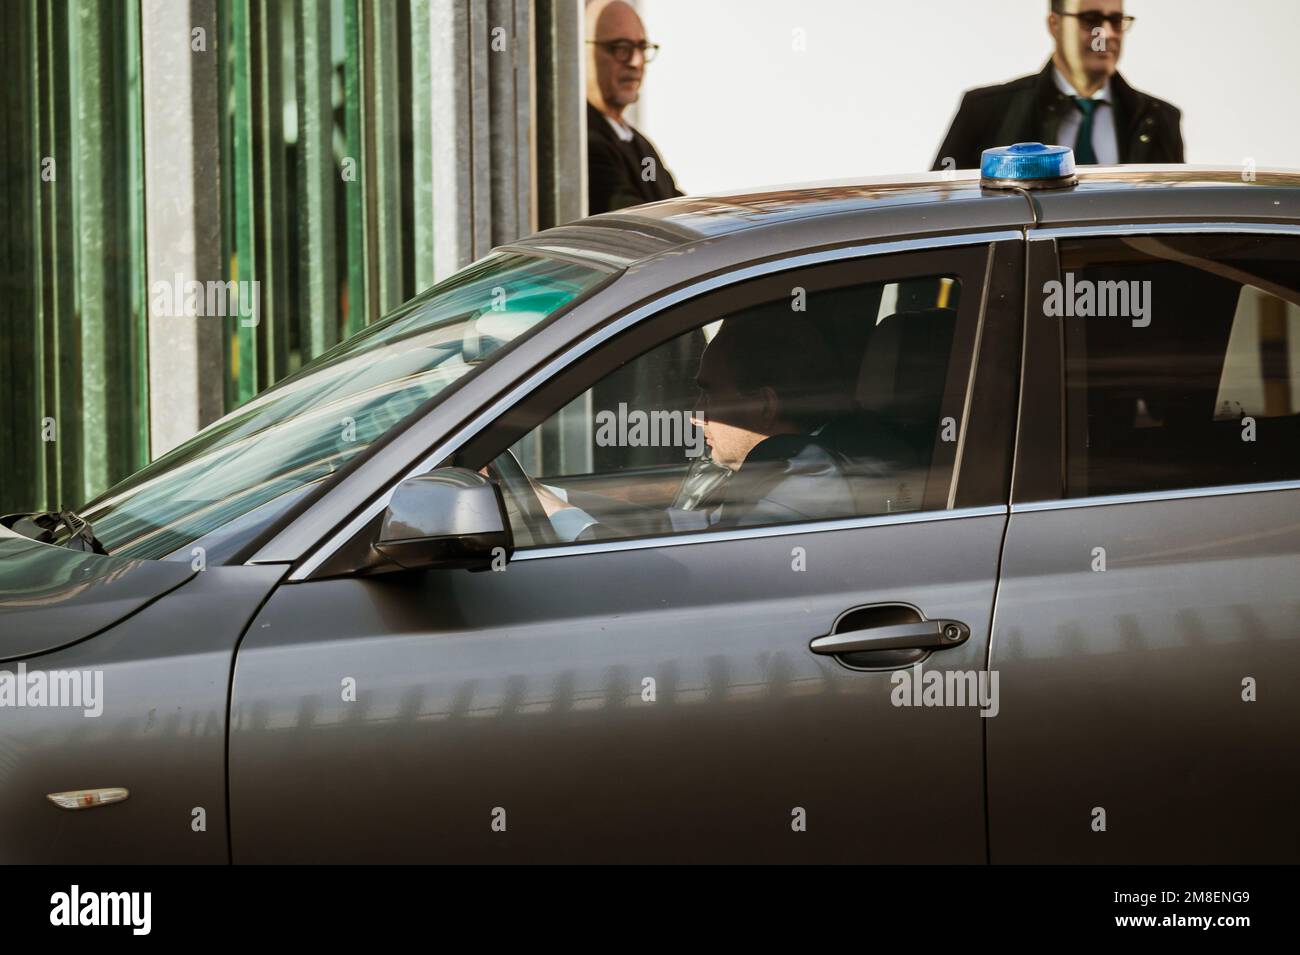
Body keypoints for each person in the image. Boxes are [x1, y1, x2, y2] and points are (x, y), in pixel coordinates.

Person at [526, 313, 912, 543]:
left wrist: (566, 519)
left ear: (763, 404)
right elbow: (678, 527)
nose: (695, 416)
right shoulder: (789, 461)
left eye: (709, 394)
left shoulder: (807, 481)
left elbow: (689, 580)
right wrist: (548, 496)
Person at [932, 0, 1184, 171]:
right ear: (1055, 24)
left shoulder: (1160, 119)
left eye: (1116, 21)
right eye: (1091, 19)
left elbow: (1176, 218)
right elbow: (941, 208)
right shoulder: (986, 110)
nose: (1105, 34)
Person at [585, 0, 683, 213]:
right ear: (582, 51)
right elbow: (634, 222)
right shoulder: (580, 143)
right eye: (621, 48)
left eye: (641, 47)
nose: (636, 61)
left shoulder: (639, 142)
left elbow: (677, 206)